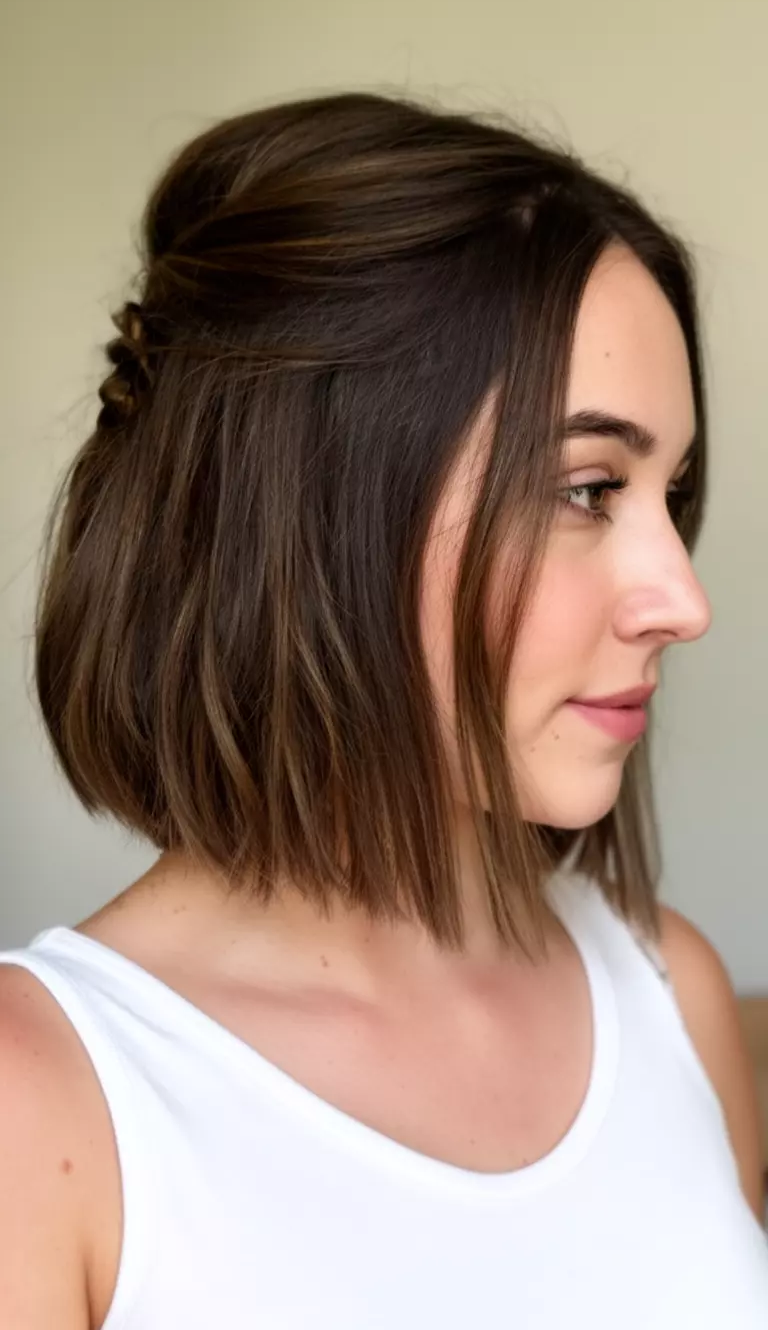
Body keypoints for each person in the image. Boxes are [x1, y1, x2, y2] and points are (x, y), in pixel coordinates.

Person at [1, 92, 766, 1329]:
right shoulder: (39, 1110)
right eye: (586, 488)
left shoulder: (669, 993)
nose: (682, 598)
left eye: (668, 495)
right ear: (316, 516)